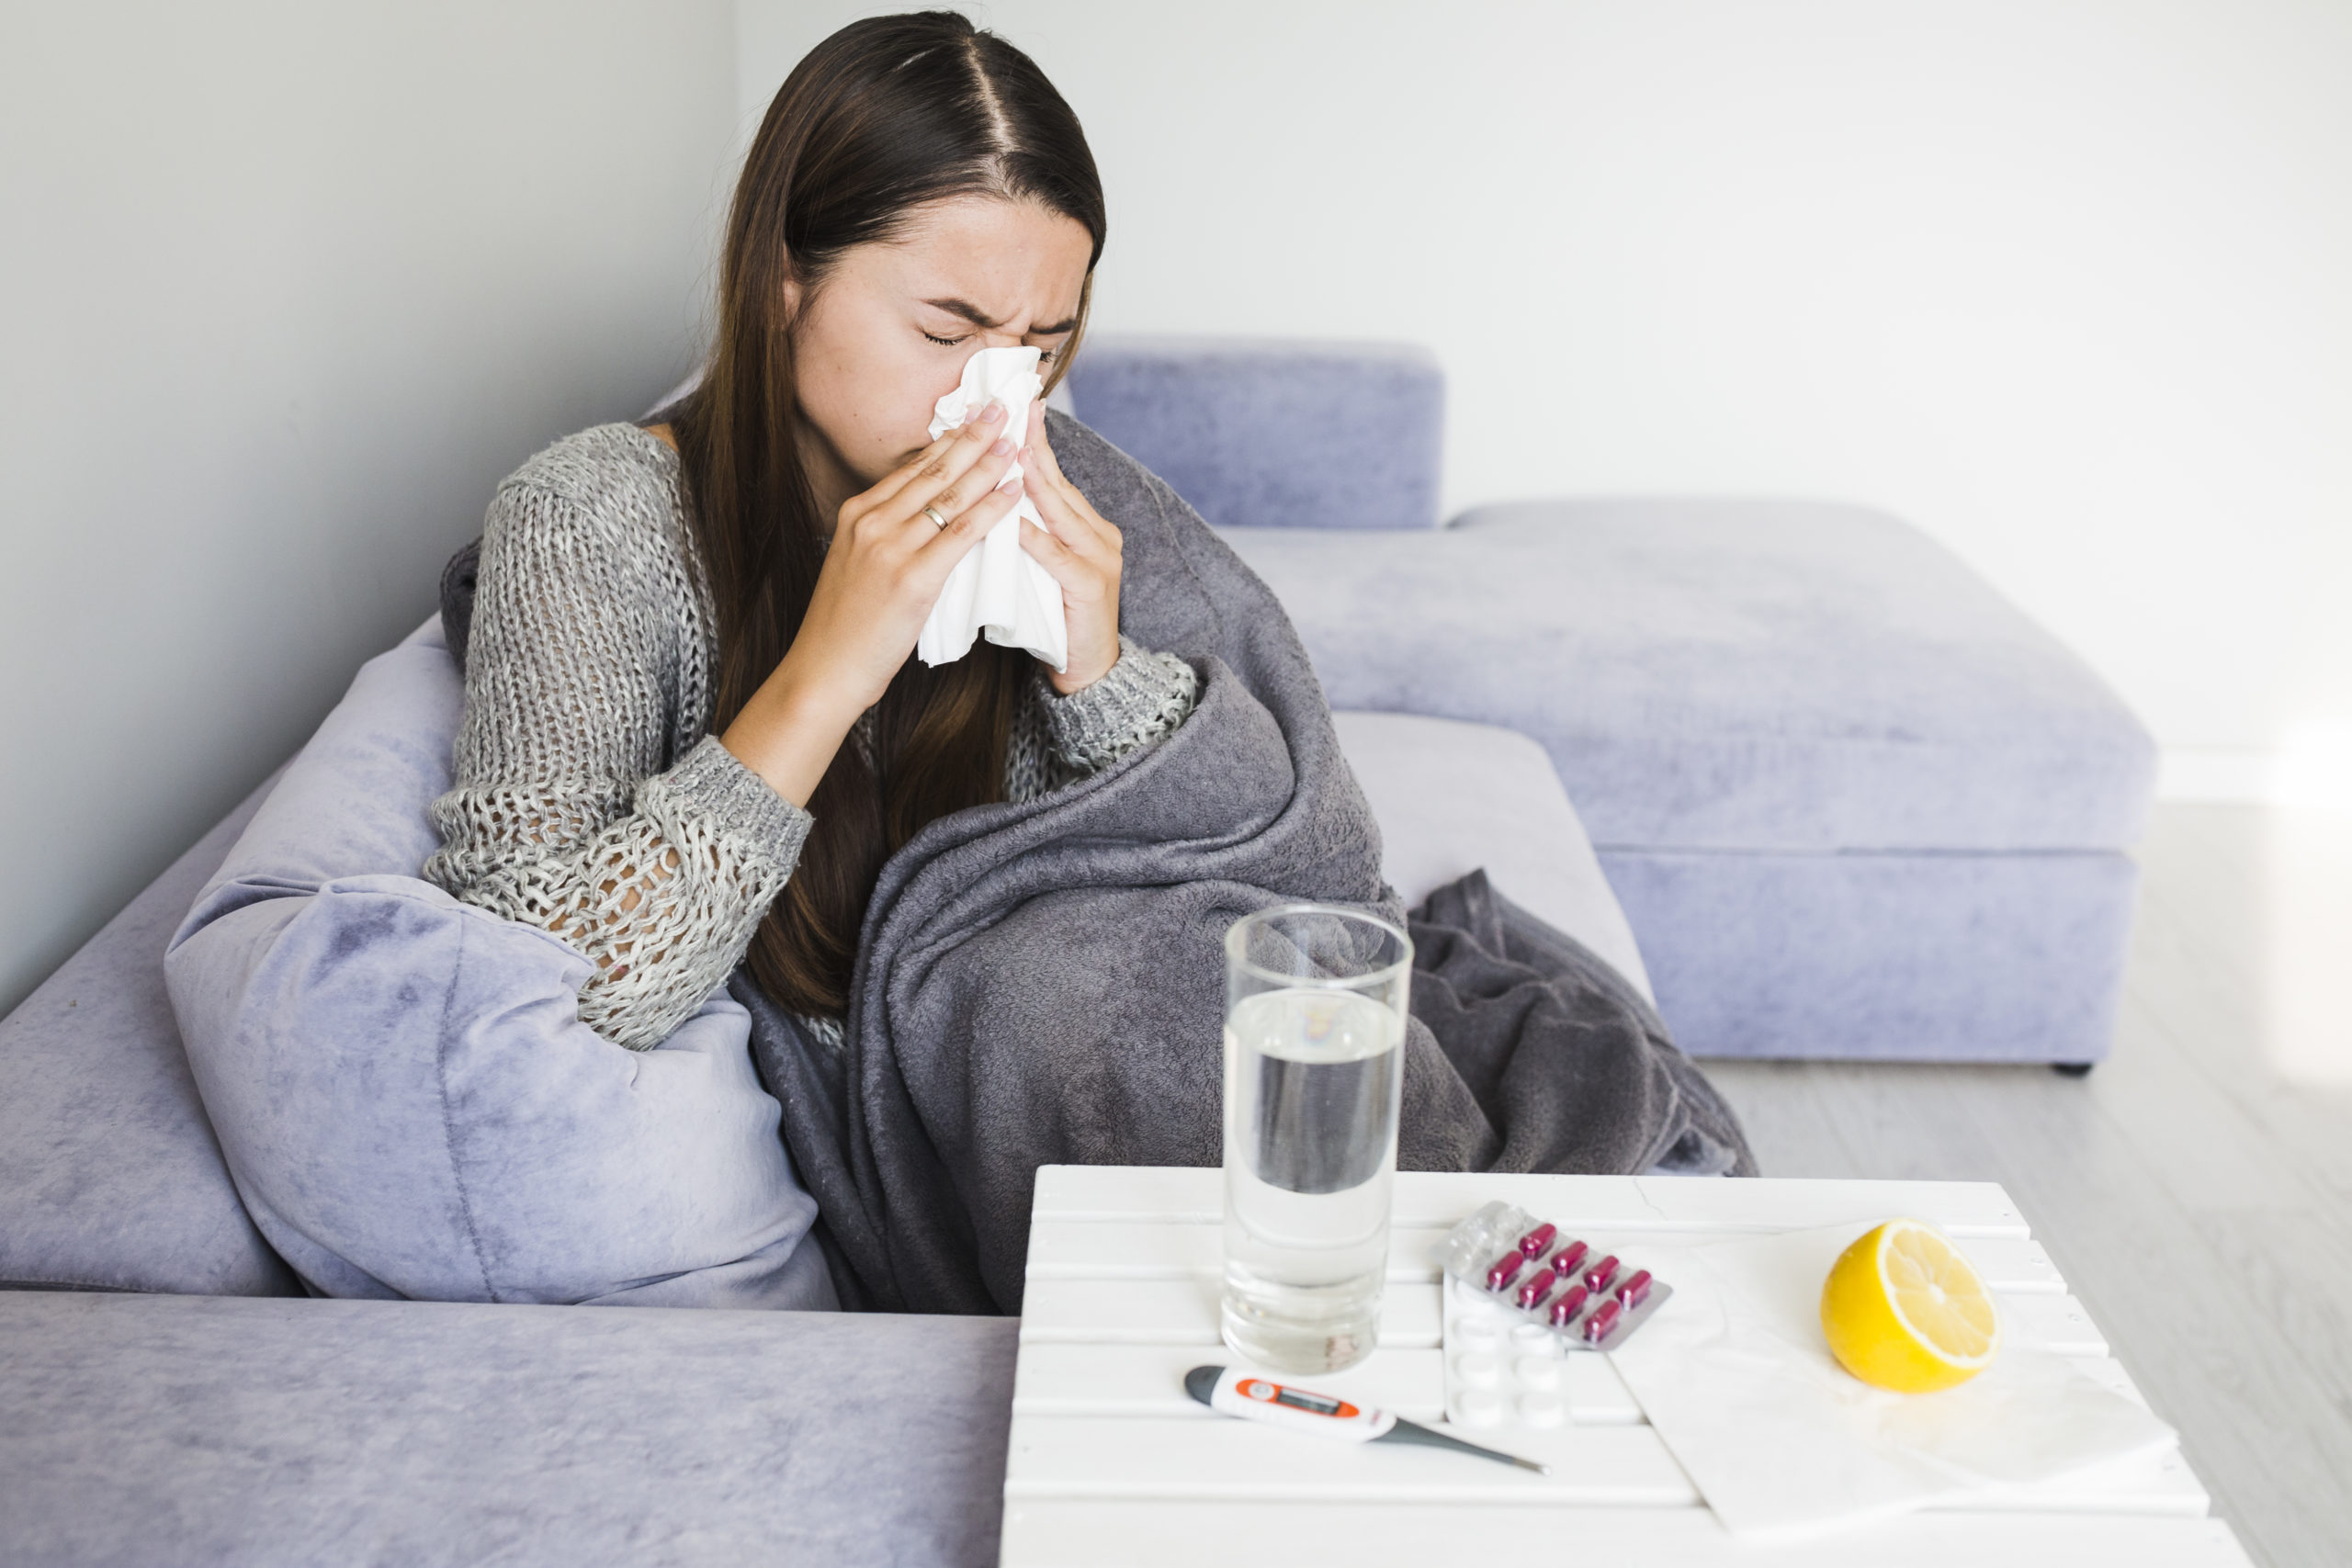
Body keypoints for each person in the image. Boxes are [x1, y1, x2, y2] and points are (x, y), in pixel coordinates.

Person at [422, 10, 1200, 1055]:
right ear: (786, 281)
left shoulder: (1067, 501)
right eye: (944, 332)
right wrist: (826, 675)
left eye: (1042, 346)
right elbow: (544, 991)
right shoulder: (586, 521)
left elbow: (1200, 918)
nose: (994, 394)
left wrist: (1097, 679)